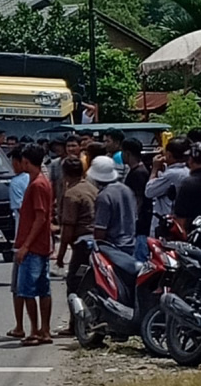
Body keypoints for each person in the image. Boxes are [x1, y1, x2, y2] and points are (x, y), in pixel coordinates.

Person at [14, 144, 53, 346]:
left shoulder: (37, 185)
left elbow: (40, 217)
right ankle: (44, 330)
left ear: (26, 162)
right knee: (43, 290)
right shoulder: (42, 182)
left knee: (27, 290)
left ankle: (36, 330)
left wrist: (25, 246)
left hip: (34, 246)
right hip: (42, 245)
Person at [55, 158, 97, 336]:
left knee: (74, 284)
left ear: (64, 174)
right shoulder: (92, 188)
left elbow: (68, 228)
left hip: (81, 246)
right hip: (96, 243)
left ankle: (76, 325)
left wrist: (60, 255)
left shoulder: (71, 194)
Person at [90, 156, 136, 254]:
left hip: (112, 248)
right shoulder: (126, 190)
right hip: (131, 245)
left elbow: (100, 229)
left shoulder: (104, 196)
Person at [7, 146, 30, 339]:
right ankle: (40, 327)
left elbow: (23, 213)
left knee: (18, 287)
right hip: (39, 239)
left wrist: (22, 242)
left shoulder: (16, 183)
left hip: (22, 239)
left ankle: (20, 325)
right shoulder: (39, 179)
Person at [146, 137, 190, 237]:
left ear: (169, 155)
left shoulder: (172, 174)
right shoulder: (187, 171)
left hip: (166, 222)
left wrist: (154, 169)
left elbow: (149, 191)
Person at [122, 138, 152, 261]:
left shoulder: (138, 173)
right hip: (139, 223)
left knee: (140, 258)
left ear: (127, 153)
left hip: (140, 225)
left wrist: (132, 220)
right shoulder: (137, 170)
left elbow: (138, 199)